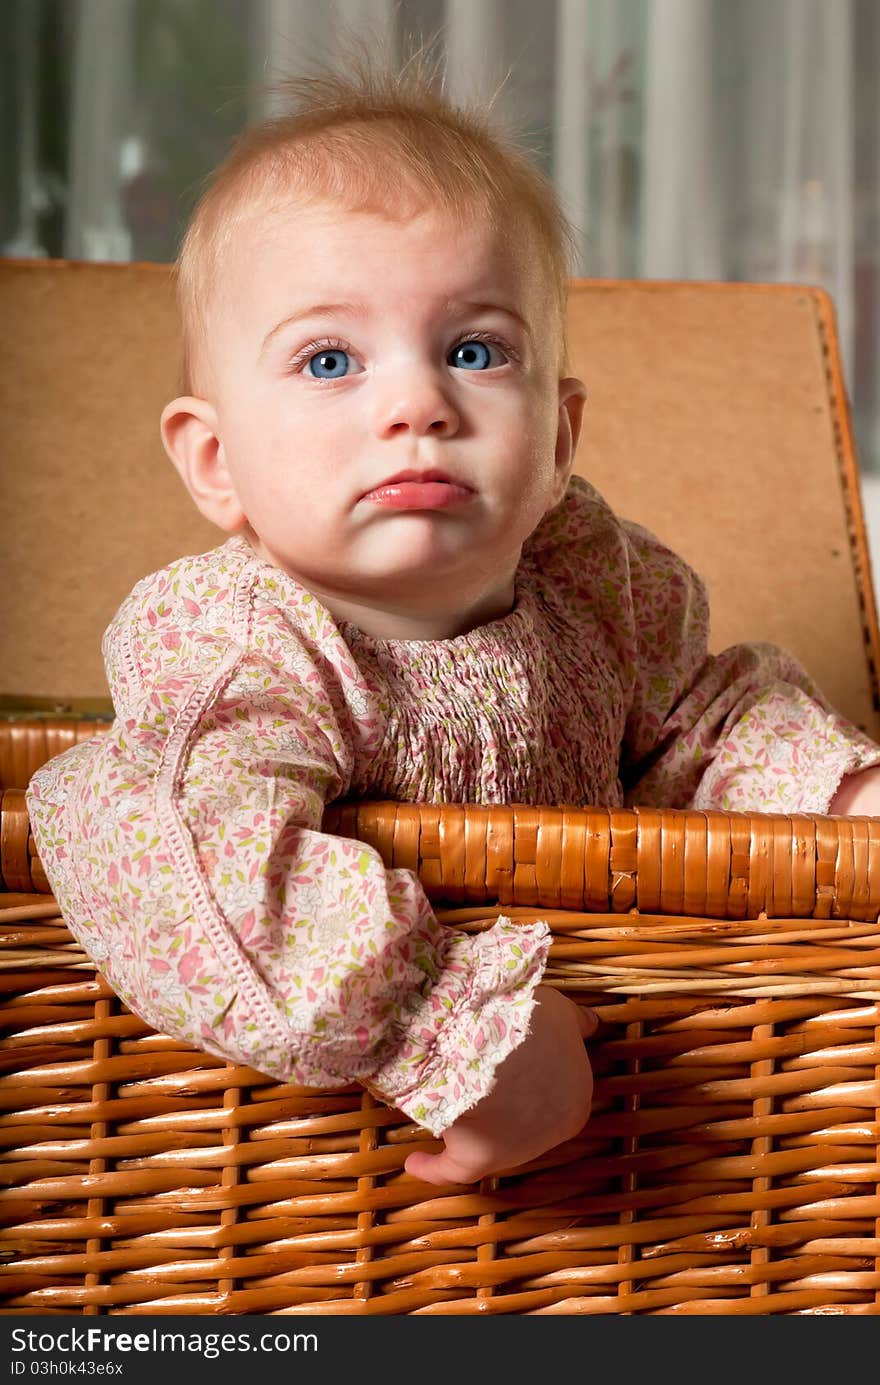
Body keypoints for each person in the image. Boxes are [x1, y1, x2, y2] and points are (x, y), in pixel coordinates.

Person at [26, 47, 880, 1189]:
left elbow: (705, 725)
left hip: (665, 1139)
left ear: (560, 439)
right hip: (329, 1172)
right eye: (329, 358)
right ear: (216, 460)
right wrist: (441, 1027)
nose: (416, 404)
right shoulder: (242, 638)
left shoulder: (588, 580)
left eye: (473, 350)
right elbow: (164, 843)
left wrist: (841, 797)